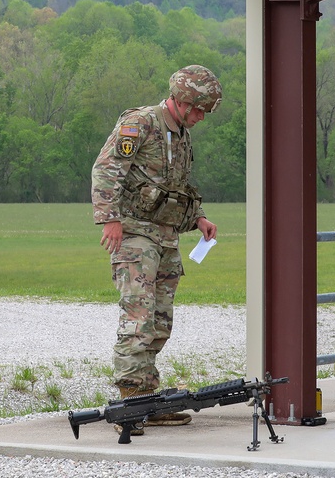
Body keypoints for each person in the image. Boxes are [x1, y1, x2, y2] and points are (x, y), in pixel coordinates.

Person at [91, 64, 221, 432]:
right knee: (138, 319)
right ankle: (129, 405)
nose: (200, 117)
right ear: (181, 100)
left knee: (160, 321)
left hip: (166, 237)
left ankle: (148, 400)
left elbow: (176, 185)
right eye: (198, 109)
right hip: (134, 234)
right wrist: (110, 218)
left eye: (205, 111)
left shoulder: (181, 134)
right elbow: (107, 169)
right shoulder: (141, 123)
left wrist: (198, 218)